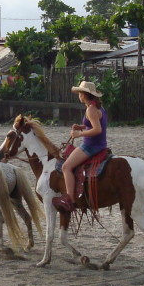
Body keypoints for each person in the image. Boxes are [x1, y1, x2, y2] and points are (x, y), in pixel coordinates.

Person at [52, 81, 108, 213]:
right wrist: (83, 126)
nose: (78, 95)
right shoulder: (98, 107)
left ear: (83, 95)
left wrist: (79, 134)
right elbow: (96, 124)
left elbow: (97, 129)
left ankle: (69, 199)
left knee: (66, 167)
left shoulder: (91, 109)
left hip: (91, 145)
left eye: (79, 93)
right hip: (99, 144)